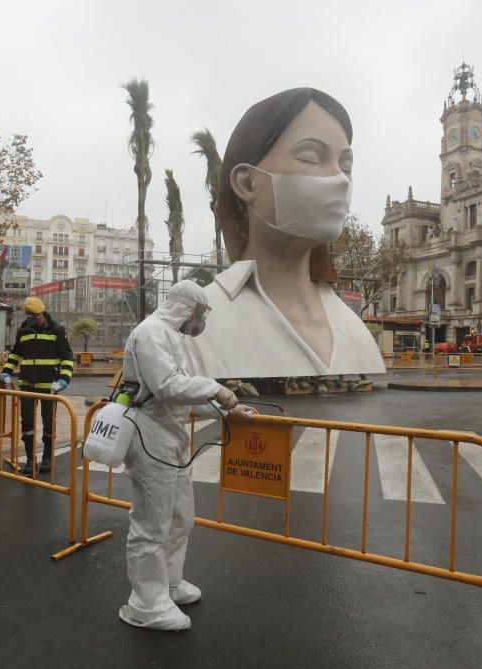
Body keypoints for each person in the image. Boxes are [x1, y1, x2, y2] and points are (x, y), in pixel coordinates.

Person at [183, 87, 386, 379]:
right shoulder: (195, 328)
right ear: (247, 183)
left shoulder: (356, 333)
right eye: (311, 157)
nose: (341, 181)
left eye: (346, 166)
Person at [119, 280, 257, 632]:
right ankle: (146, 604)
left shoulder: (170, 337)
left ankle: (169, 584)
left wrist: (228, 412)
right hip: (150, 439)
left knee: (181, 516)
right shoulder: (150, 333)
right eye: (200, 313)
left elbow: (180, 397)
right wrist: (218, 388)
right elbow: (167, 386)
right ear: (186, 308)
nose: (201, 321)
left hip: (171, 440)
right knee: (152, 524)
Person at [0, 296, 74, 474]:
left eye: (35, 317)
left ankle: (47, 457)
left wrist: (64, 380)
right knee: (27, 423)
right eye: (29, 317)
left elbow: (67, 357)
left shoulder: (57, 329)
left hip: (49, 386)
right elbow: (15, 355)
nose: (32, 321)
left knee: (48, 423)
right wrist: (6, 371)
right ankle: (31, 459)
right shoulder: (23, 330)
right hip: (27, 385)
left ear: (42, 313)